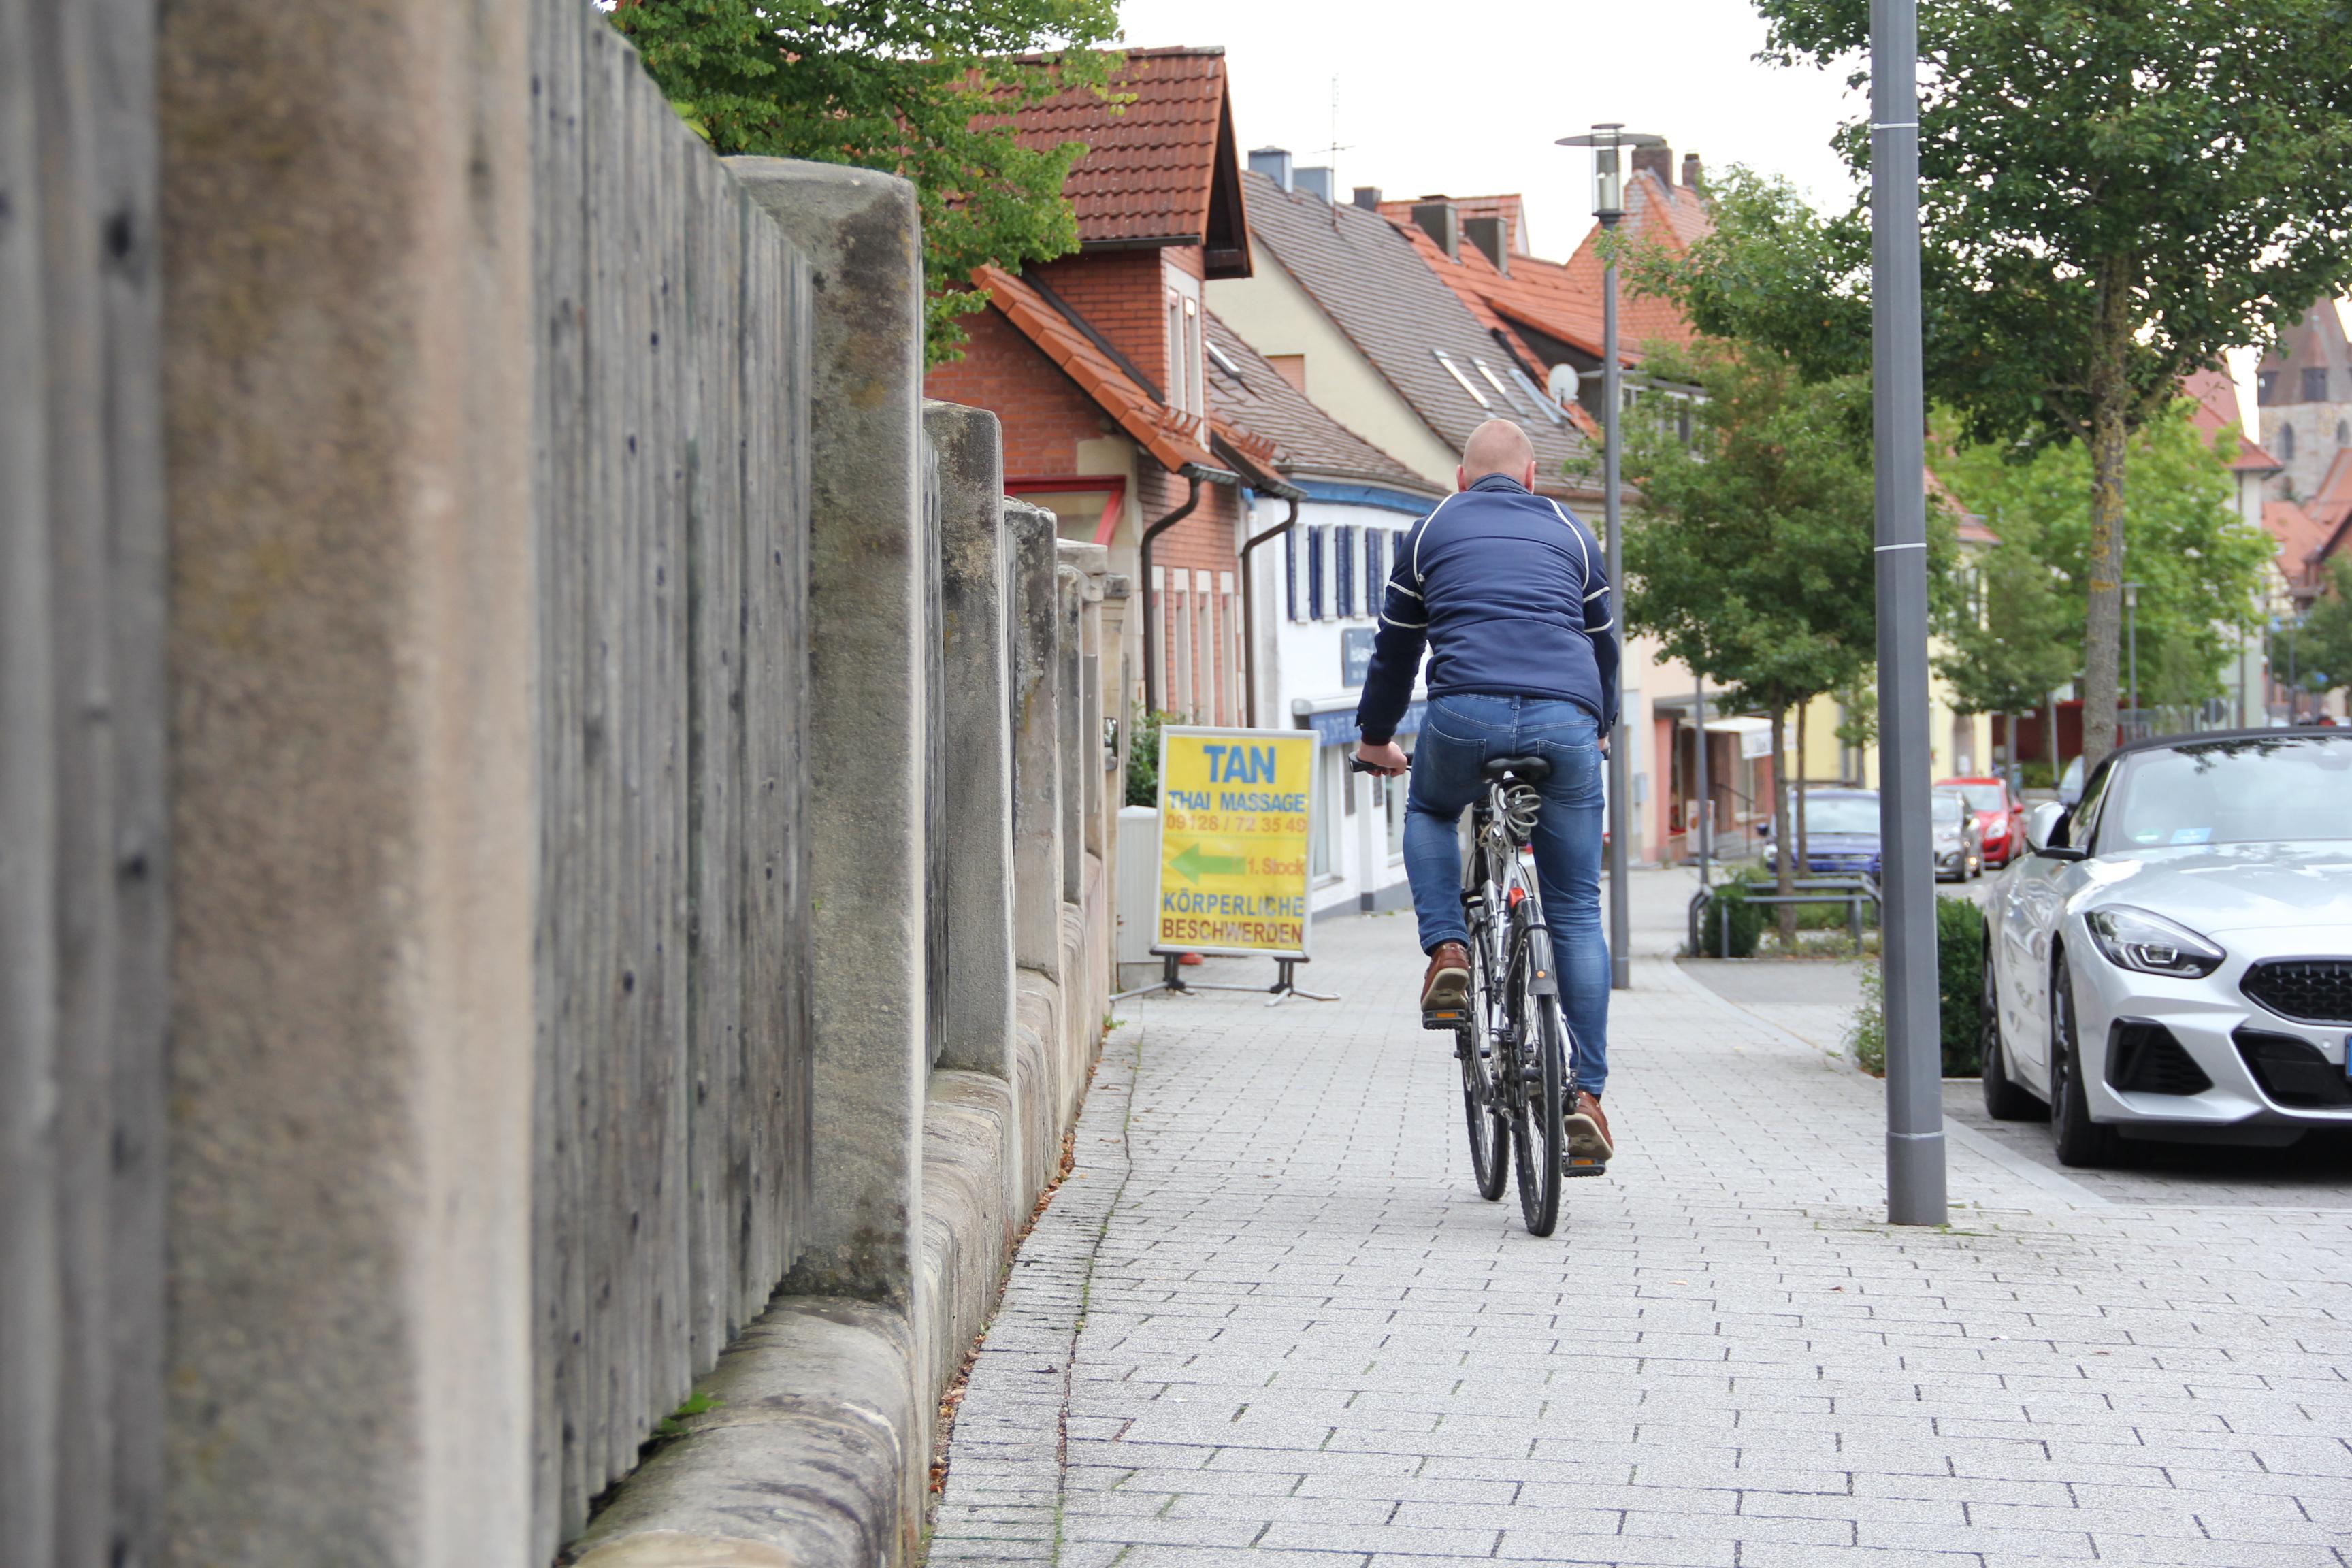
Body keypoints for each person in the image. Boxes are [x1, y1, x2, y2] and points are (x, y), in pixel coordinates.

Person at [1353, 419, 1619, 1163]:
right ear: (1532, 477)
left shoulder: (1431, 530)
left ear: (1463, 478)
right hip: (1567, 721)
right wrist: (1600, 729)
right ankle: (1587, 1096)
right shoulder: (1574, 533)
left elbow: (1396, 648)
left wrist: (1375, 738)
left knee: (1433, 807)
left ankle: (1448, 950)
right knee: (1576, 909)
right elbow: (1604, 645)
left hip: (1464, 715)